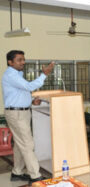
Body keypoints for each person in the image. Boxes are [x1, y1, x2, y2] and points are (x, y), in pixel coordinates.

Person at [2, 50, 55, 184]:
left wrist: (31, 102)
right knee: (27, 144)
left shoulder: (18, 75)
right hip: (16, 114)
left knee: (20, 145)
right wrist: (44, 74)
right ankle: (35, 176)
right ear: (10, 62)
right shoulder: (10, 75)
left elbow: (20, 93)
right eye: (19, 60)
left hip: (22, 112)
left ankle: (17, 172)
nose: (23, 62)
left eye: (23, 59)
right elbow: (30, 86)